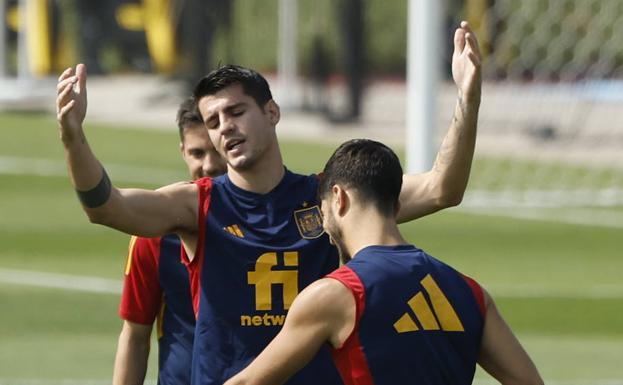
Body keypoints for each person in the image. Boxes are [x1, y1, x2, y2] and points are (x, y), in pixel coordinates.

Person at [55, 22, 482, 385]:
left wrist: (467, 98)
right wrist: (74, 138)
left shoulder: (330, 197)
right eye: (213, 122)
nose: (226, 129)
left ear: (272, 112)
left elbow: (442, 188)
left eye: (236, 112)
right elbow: (106, 208)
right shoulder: (195, 205)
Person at [224, 139, 544, 385]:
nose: (326, 229)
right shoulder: (470, 292)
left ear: (338, 198)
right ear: (396, 202)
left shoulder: (336, 294)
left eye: (322, 212)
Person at [112, 98, 227, 385]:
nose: (209, 165)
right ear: (183, 152)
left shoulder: (282, 218)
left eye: (217, 151)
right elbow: (135, 336)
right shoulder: (155, 234)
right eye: (197, 153)